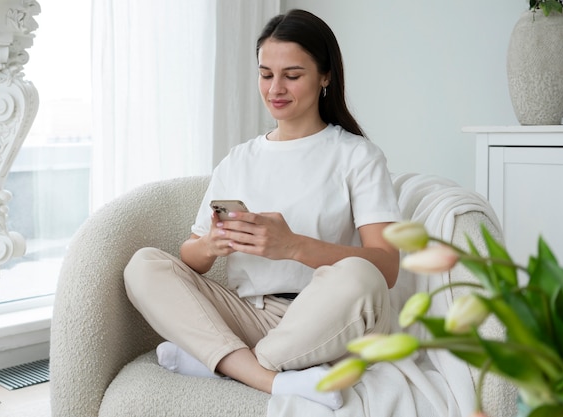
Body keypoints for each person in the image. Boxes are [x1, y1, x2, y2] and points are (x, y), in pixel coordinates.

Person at [124, 9, 401, 410]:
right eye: (265, 74)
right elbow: (192, 258)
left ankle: (221, 362)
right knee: (144, 265)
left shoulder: (357, 156)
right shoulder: (239, 160)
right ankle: (270, 378)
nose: (275, 88)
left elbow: (387, 267)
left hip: (320, 318)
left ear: (325, 76)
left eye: (292, 75)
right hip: (248, 314)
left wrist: (292, 246)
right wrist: (212, 244)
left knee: (362, 275)